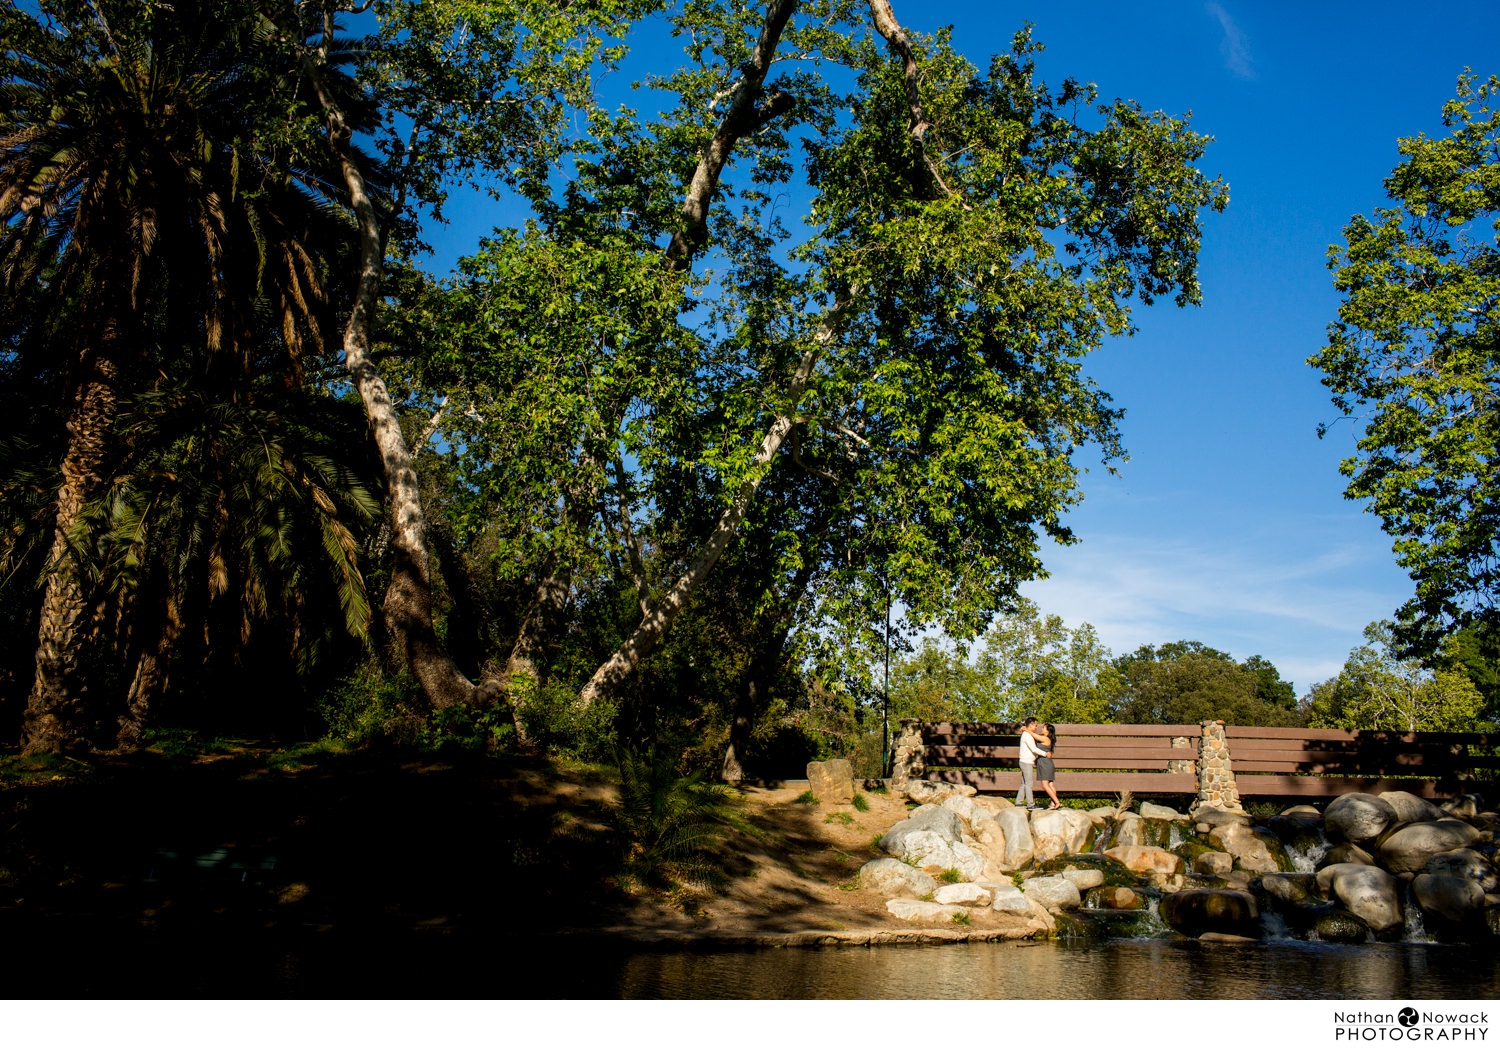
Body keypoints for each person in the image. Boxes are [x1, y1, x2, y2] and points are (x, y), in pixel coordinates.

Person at [1015, 716, 1044, 810]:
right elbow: (1033, 749)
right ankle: (1030, 804)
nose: (1036, 727)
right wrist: (1045, 753)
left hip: (1025, 761)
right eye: (1035, 725)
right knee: (1029, 783)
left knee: (1024, 783)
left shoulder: (1026, 734)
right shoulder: (1027, 736)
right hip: (1026, 762)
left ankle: (1018, 802)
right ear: (1031, 725)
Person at [1035, 722, 1061, 810]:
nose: (1042, 729)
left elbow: (1033, 735)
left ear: (1048, 731)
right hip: (1047, 763)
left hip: (1045, 763)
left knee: (1045, 785)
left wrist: (1025, 729)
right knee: (1050, 784)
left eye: (1043, 728)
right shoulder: (1046, 739)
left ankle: (1057, 802)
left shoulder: (1045, 739)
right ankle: (1053, 804)